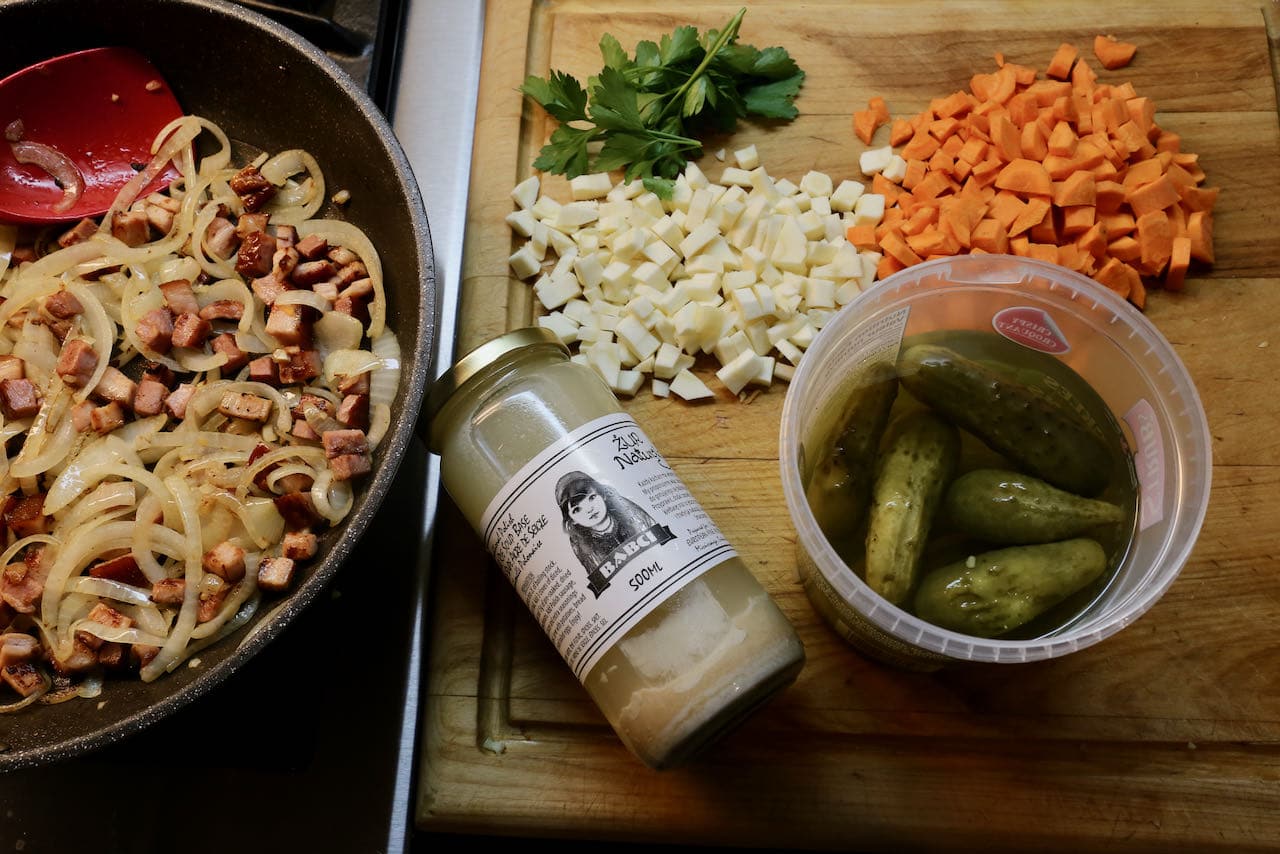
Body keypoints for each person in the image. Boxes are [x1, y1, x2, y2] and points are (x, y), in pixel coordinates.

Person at [555, 471, 666, 595]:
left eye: (591, 498)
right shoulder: (583, 547)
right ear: (572, 521)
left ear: (603, 495)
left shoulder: (631, 515)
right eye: (577, 509)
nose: (589, 509)